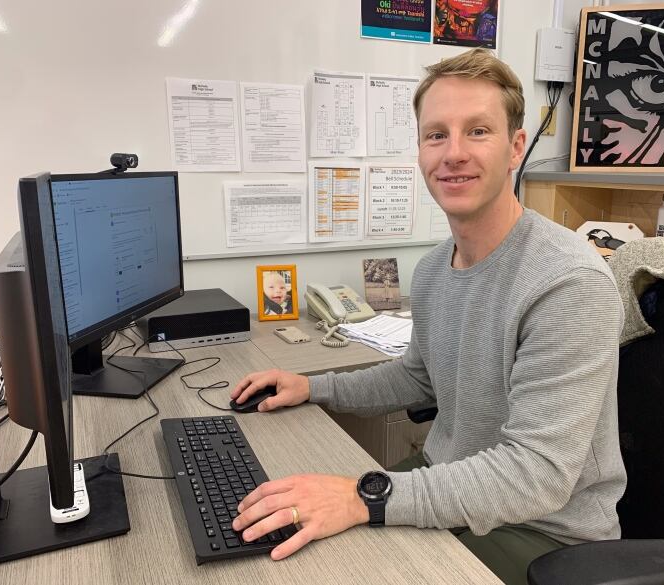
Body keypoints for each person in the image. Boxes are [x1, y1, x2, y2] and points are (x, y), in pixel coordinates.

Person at [230, 48, 626, 585]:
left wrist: (361, 496)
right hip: (449, 480)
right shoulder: (437, 266)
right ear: (419, 150)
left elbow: (537, 476)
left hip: (542, 528)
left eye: (478, 131)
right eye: (436, 134)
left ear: (515, 148)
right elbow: (417, 375)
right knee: (290, 538)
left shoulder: (566, 281)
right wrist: (312, 386)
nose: (453, 153)